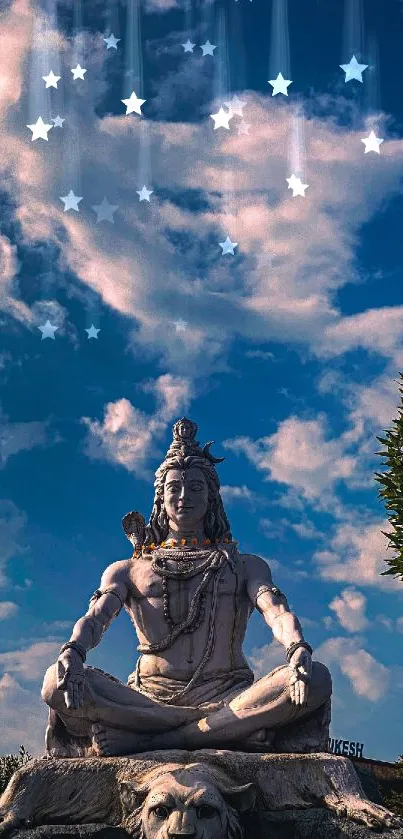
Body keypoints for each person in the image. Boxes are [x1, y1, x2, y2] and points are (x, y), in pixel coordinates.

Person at [41, 417, 332, 757]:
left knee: (317, 678)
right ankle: (221, 730)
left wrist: (297, 649)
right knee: (54, 682)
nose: (184, 497)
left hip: (228, 694)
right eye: (174, 488)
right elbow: (96, 618)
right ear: (160, 499)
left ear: (212, 498)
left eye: (196, 488)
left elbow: (277, 612)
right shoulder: (129, 569)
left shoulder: (243, 565)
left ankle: (156, 740)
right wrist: (72, 653)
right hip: (149, 698)